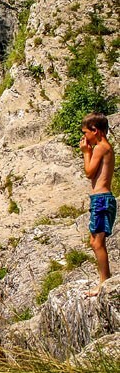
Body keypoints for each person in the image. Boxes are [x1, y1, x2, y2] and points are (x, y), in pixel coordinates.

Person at [80, 112, 116, 297]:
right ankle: (104, 279)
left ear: (96, 130)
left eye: (86, 133)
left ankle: (104, 282)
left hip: (102, 200)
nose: (85, 137)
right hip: (100, 199)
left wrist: (86, 153)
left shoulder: (101, 147)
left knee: (97, 243)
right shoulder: (103, 147)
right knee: (94, 241)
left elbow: (88, 172)